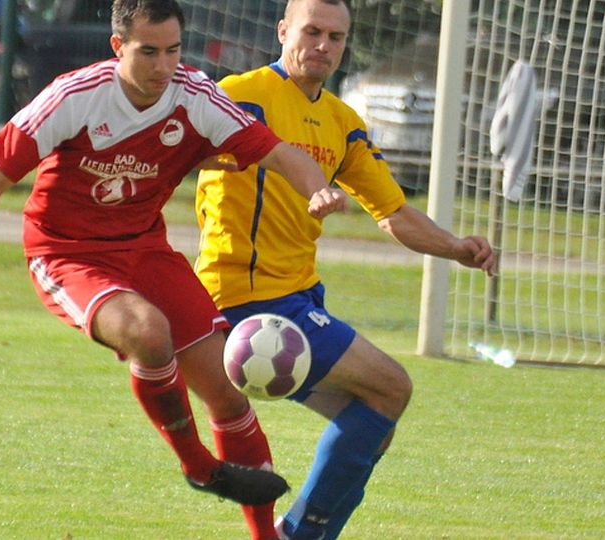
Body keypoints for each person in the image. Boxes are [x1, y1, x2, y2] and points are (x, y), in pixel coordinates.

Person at [0, 1, 347, 538]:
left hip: (143, 250)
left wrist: (317, 187)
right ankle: (197, 465)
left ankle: (263, 536)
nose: (164, 66)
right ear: (119, 48)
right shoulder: (77, 95)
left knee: (228, 390)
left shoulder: (195, 95)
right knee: (146, 331)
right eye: (149, 52)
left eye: (174, 51)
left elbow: (279, 153)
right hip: (66, 253)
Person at [194, 1, 497, 538]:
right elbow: (184, 151)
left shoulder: (343, 122)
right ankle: (300, 534)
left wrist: (455, 247)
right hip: (246, 296)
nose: (323, 45)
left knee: (375, 419)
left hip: (301, 297)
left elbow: (394, 212)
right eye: (312, 31)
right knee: (391, 387)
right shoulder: (241, 95)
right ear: (283, 30)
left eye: (336, 36)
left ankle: (303, 532)